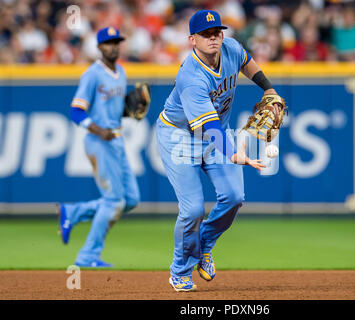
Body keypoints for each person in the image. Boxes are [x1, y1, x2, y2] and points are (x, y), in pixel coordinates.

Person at [156, 9, 281, 291]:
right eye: (205, 34)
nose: (213, 38)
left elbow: (247, 63)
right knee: (192, 210)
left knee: (234, 196)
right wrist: (234, 153)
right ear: (192, 39)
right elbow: (209, 128)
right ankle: (180, 271)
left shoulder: (232, 48)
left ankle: (205, 244)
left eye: (217, 32)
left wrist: (268, 89)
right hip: (180, 137)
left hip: (216, 133)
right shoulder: (191, 77)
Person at [57, 27, 140, 268]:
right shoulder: (92, 75)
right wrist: (97, 130)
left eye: (117, 42)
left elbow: (117, 109)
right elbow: (75, 111)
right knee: (114, 201)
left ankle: (72, 213)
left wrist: (130, 110)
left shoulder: (121, 72)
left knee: (131, 199)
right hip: (99, 141)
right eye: (108, 43)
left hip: (116, 139)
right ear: (99, 47)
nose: (114, 46)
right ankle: (87, 256)